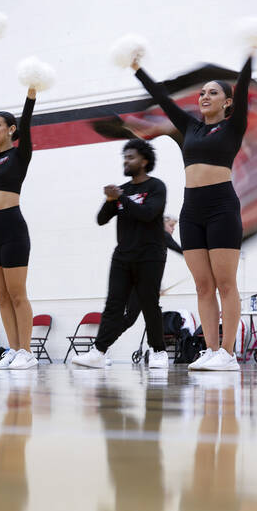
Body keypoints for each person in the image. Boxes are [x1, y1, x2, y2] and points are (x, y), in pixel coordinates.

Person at [131, 44, 257, 371]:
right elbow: (162, 98)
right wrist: (136, 69)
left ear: (227, 102)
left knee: (226, 283)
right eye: (201, 93)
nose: (203, 96)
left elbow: (243, 88)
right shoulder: (190, 127)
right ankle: (211, 350)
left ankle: (228, 353)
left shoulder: (233, 125)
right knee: (203, 285)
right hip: (192, 210)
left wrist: (249, 53)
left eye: (212, 93)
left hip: (222, 207)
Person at [72, 139, 168, 369]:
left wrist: (121, 198)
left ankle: (158, 351)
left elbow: (148, 214)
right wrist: (110, 200)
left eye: (131, 157)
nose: (126, 161)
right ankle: (99, 352)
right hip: (123, 256)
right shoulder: (123, 191)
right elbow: (101, 219)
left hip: (150, 255)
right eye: (124, 157)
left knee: (149, 303)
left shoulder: (156, 187)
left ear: (144, 161)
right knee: (113, 304)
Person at [0, 88, 39, 370]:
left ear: (11, 129)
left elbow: (27, 125)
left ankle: (27, 351)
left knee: (17, 293)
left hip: (13, 228)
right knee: (1, 295)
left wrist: (30, 96)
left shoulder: (20, 154)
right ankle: (14, 350)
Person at [122, 216, 182, 332]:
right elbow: (179, 250)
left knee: (147, 317)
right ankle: (103, 341)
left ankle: (157, 348)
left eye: (174, 227)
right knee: (132, 318)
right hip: (138, 284)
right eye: (171, 225)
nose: (173, 229)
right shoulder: (161, 235)